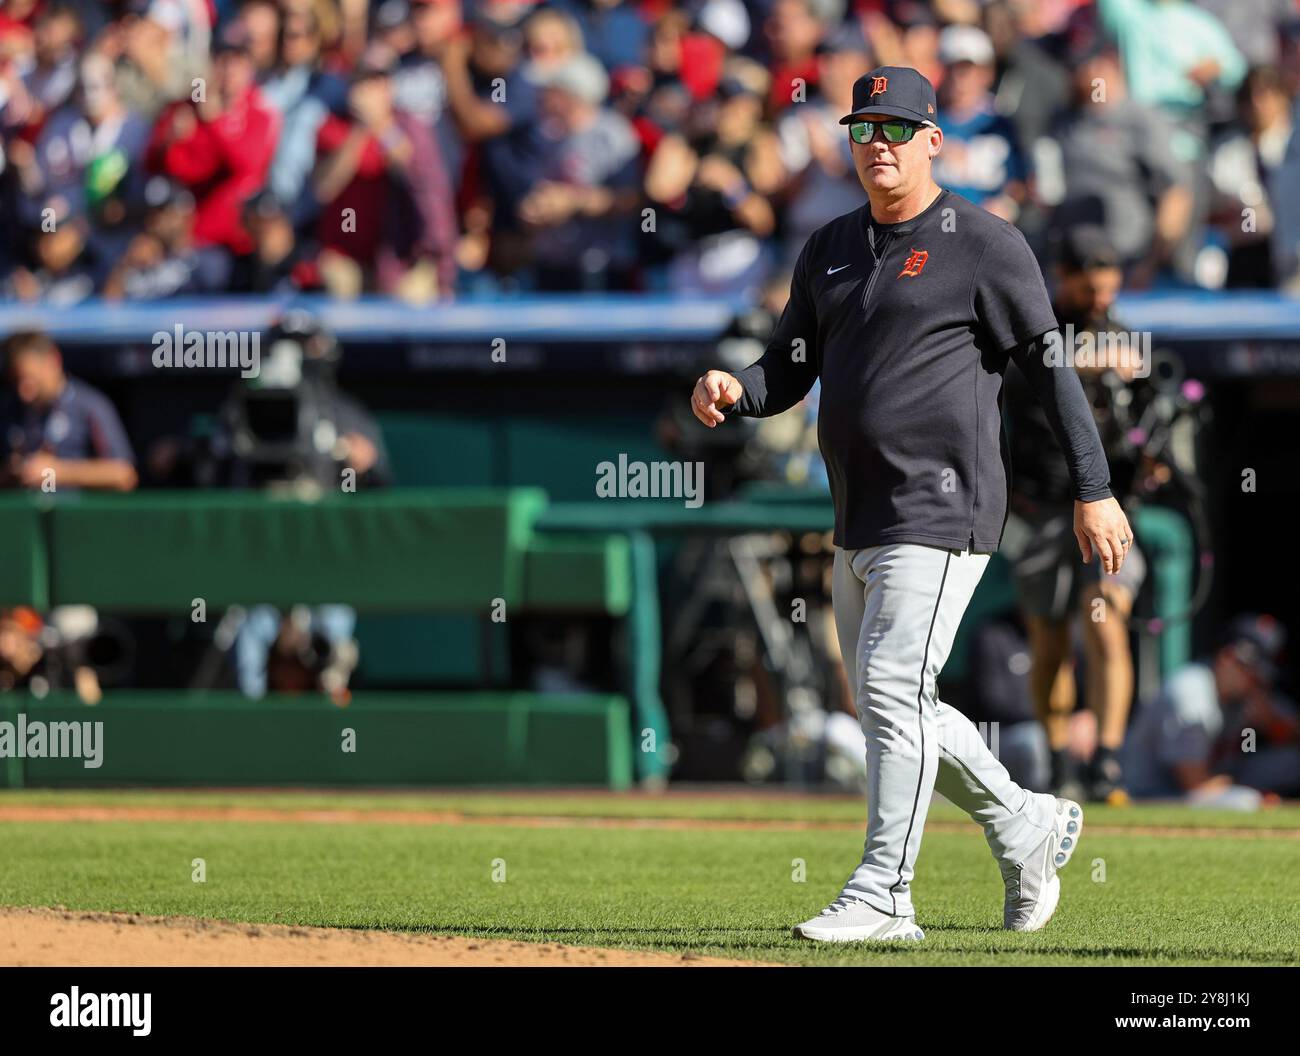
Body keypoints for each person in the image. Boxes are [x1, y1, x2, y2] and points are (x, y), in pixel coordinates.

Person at [691, 66, 1133, 942]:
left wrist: (1096, 488)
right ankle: (1026, 823)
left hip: (943, 505)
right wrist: (734, 388)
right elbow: (790, 366)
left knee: (892, 687)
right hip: (859, 508)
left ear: (936, 139)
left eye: (897, 129)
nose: (879, 145)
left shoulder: (985, 242)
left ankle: (885, 892)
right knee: (900, 701)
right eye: (863, 130)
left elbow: (1050, 374)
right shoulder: (828, 245)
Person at [1003, 226, 1146, 803]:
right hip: (1043, 509)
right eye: (1089, 290)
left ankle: (1107, 760)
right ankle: (1060, 761)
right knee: (1050, 640)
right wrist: (1086, 364)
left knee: (1107, 621)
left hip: (1110, 507)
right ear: (1063, 279)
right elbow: (1017, 379)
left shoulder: (1125, 335)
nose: (1100, 301)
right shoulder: (1033, 326)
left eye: (1107, 291)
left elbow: (1154, 383)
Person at [1124, 615, 1299, 804]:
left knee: (1292, 763)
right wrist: (1258, 794)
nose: (1256, 680)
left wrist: (1273, 724)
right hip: (1152, 795)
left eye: (1259, 675)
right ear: (1227, 658)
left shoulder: (1249, 695)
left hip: (1217, 782)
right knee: (1245, 801)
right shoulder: (1191, 695)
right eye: (1251, 671)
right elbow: (1195, 785)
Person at [0, 329, 137, 492]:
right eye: (17, 381)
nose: (25, 393)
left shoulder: (89, 405)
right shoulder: (9, 409)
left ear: (53, 360)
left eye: (31, 380)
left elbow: (124, 475)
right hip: (22, 514)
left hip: (77, 515)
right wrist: (13, 472)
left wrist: (57, 472)